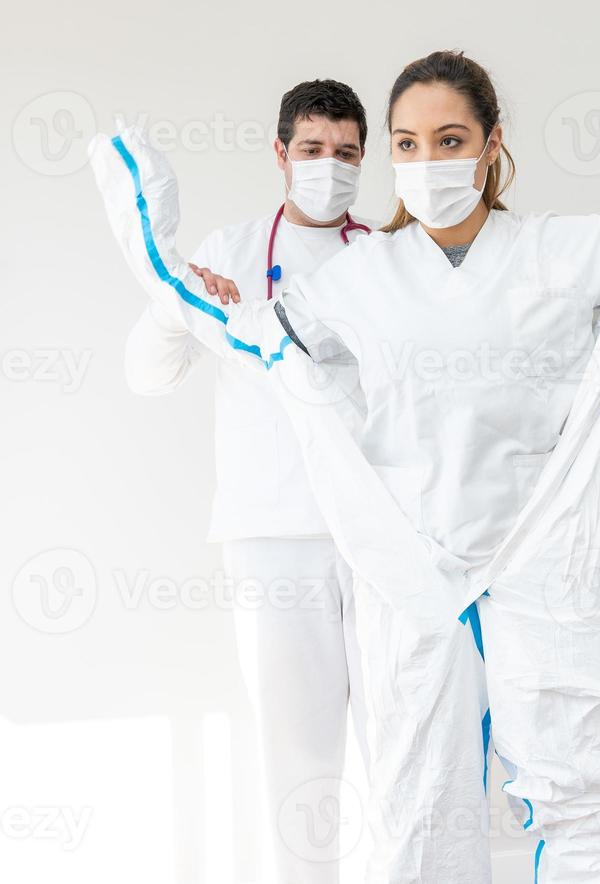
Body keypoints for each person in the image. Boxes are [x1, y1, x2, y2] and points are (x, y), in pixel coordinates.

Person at [92, 0, 600, 884]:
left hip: (543, 574)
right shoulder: (363, 279)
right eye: (407, 144)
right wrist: (162, 268)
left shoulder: (565, 253)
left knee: (588, 803)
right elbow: (254, 342)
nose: (427, 160)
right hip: (412, 580)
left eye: (449, 140)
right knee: (417, 810)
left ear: (491, 145)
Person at [123, 79, 376, 883]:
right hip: (274, 538)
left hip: (381, 537)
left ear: (364, 160)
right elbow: (145, 376)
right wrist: (175, 305)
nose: (327, 167)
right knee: (297, 754)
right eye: (311, 150)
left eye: (344, 154)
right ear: (280, 154)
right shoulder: (230, 252)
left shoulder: (388, 255)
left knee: (402, 740)